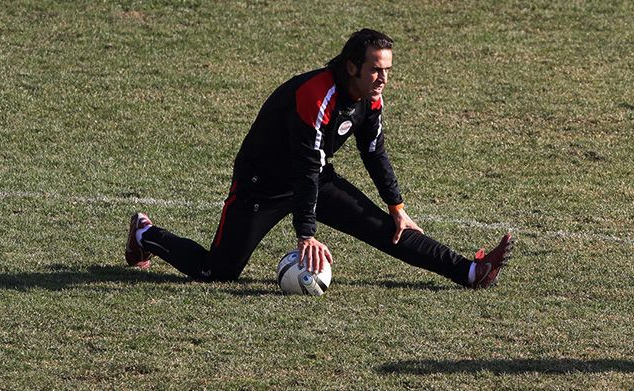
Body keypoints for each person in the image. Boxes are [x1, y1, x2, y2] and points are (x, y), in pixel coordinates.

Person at [124, 28, 514, 289]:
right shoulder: (317, 95)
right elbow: (305, 167)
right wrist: (306, 234)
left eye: (387, 70)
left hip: (312, 179)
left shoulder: (370, 98)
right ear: (352, 66)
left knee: (387, 228)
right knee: (217, 272)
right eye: (376, 70)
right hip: (262, 185)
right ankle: (145, 234)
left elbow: (373, 150)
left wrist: (396, 205)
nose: (383, 79)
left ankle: (469, 270)